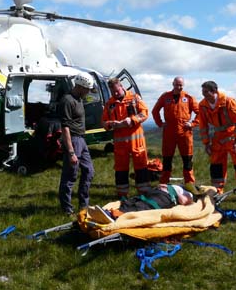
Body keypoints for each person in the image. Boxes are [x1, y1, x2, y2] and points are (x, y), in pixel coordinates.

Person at [198, 81, 236, 201]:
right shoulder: (202, 105)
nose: (204, 95)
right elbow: (203, 126)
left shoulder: (228, 102)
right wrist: (206, 143)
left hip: (232, 136)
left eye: (206, 92)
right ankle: (217, 191)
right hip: (218, 138)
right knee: (216, 166)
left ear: (214, 91)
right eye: (203, 92)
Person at [102, 77, 151, 198]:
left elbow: (144, 113)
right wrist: (111, 124)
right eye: (113, 92)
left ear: (121, 86)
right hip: (120, 144)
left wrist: (132, 120)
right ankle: (122, 196)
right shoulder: (109, 104)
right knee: (120, 169)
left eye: (117, 91)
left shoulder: (134, 98)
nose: (115, 94)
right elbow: (103, 122)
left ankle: (143, 193)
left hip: (136, 141)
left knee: (141, 167)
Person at [58, 72, 95, 216]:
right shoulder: (67, 100)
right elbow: (65, 127)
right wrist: (71, 152)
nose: (87, 92)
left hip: (81, 139)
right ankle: (66, 209)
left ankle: (83, 205)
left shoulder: (79, 98)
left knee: (89, 171)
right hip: (72, 139)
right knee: (70, 175)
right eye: (86, 89)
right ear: (80, 86)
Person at [151, 76, 199, 186]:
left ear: (183, 85)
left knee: (187, 160)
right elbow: (155, 111)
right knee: (167, 160)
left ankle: (190, 184)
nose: (179, 87)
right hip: (169, 133)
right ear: (173, 84)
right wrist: (160, 123)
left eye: (181, 85)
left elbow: (199, 112)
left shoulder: (188, 97)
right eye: (177, 84)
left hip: (185, 133)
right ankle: (164, 184)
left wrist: (192, 124)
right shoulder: (165, 96)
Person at [88, 184, 194, 223]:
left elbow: (183, 201)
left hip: (164, 197)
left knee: (144, 205)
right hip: (156, 192)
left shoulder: (188, 194)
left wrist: (173, 190)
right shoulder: (180, 186)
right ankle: (108, 213)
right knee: (136, 200)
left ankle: (114, 216)